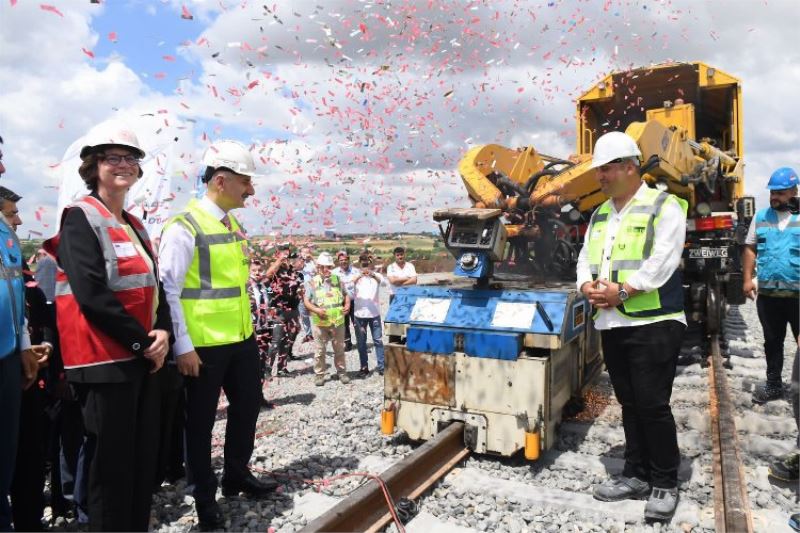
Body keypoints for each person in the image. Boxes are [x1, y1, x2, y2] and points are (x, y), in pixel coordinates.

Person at [43, 120, 172, 531]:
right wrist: (143, 344)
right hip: (103, 362)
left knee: (140, 463)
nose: (124, 165)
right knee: (110, 467)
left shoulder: (135, 224)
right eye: (113, 158)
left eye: (130, 158)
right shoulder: (79, 218)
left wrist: (164, 331)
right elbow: (91, 293)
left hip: (141, 358)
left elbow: (155, 286)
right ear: (94, 166)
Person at [158, 139, 278, 531]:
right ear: (222, 181)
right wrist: (183, 347)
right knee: (200, 424)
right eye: (247, 182)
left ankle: (236, 474)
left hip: (240, 339)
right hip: (203, 346)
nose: (252, 190)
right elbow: (170, 291)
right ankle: (204, 498)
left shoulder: (232, 224)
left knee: (246, 411)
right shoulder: (184, 226)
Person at [576, 131, 688, 522]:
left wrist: (622, 292)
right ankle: (636, 474)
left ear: (628, 166)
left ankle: (664, 481)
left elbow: (663, 259)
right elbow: (585, 257)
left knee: (652, 405)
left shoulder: (664, 205)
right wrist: (586, 285)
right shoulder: (601, 213)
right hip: (612, 322)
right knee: (629, 403)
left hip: (654, 322)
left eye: (605, 169)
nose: (600, 177)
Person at [742, 166, 800, 403]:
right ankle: (774, 386)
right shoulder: (761, 216)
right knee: (772, 342)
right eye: (772, 192)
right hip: (769, 296)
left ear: (794, 191)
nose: (774, 197)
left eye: (781, 192)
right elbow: (750, 248)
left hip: (797, 297)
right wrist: (747, 279)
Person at [303, 252, 351, 386]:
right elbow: (306, 301)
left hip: (337, 322)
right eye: (323, 267)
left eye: (328, 267)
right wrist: (317, 310)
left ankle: (342, 372)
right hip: (320, 324)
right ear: (318, 267)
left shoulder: (338, 280)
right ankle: (319, 374)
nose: (326, 270)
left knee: (339, 349)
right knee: (320, 350)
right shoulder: (312, 283)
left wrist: (347, 305)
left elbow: (346, 295)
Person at [266, 248, 304, 375]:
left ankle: (282, 368)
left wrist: (300, 294)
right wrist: (279, 260)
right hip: (278, 310)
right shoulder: (278, 270)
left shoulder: (299, 275)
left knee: (286, 340)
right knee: (276, 341)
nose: (302, 262)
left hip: (292, 310)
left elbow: (298, 290)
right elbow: (268, 275)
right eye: (300, 260)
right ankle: (267, 369)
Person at [352, 253, 388, 377]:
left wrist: (373, 275)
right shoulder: (355, 275)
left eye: (367, 262)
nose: (365, 265)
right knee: (361, 343)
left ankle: (382, 367)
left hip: (374, 314)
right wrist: (358, 276)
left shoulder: (376, 275)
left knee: (378, 341)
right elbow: (348, 286)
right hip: (359, 315)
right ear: (360, 264)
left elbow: (384, 284)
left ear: (370, 263)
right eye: (363, 263)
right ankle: (364, 367)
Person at [248, 259, 275, 407]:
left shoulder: (267, 285)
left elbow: (273, 301)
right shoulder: (246, 287)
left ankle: (259, 397)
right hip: (251, 331)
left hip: (265, 329)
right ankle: (250, 399)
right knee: (251, 366)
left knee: (262, 364)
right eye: (254, 271)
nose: (258, 273)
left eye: (260, 270)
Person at [332, 251, 360, 351]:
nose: (343, 262)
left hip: (355, 301)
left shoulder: (356, 271)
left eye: (345, 259)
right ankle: (348, 343)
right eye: (341, 260)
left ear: (348, 260)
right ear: (338, 261)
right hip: (341, 302)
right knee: (344, 324)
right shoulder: (334, 273)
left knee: (357, 323)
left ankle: (360, 342)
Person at [297, 245, 316, 342]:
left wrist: (312, 258)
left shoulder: (313, 262)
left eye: (307, 252)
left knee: (318, 311)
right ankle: (309, 334)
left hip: (315, 290)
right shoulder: (299, 262)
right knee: (303, 313)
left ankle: (324, 332)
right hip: (303, 290)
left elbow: (320, 269)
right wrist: (302, 260)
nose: (306, 254)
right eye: (304, 252)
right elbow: (296, 268)